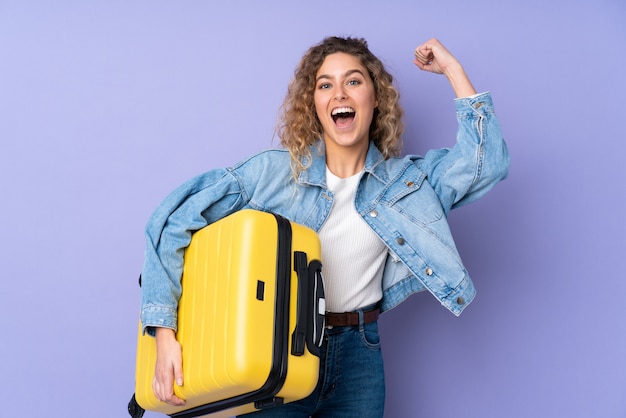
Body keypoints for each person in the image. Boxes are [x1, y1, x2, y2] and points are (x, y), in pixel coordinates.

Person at [139, 36, 510, 417]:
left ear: (376, 97)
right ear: (313, 104)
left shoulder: (407, 183)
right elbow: (171, 220)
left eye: (353, 81)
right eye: (325, 85)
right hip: (278, 347)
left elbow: (486, 164)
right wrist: (163, 333)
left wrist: (452, 70)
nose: (339, 94)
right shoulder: (274, 173)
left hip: (360, 355)